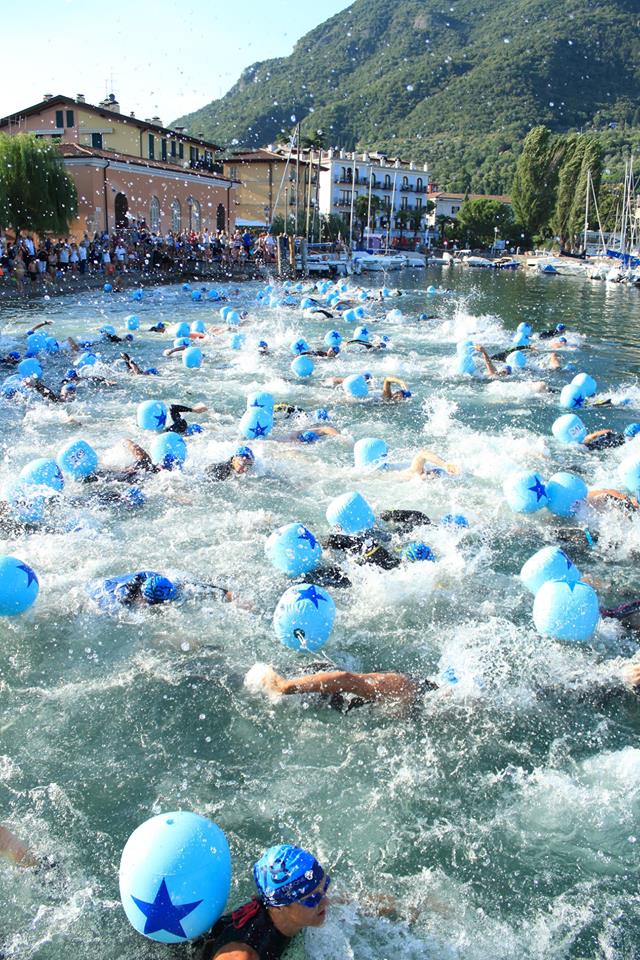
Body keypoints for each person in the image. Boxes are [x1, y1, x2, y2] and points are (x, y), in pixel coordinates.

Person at [198, 844, 330, 960]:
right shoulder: (243, 955)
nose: (326, 901)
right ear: (280, 906)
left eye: (325, 886)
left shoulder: (295, 905)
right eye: (312, 899)